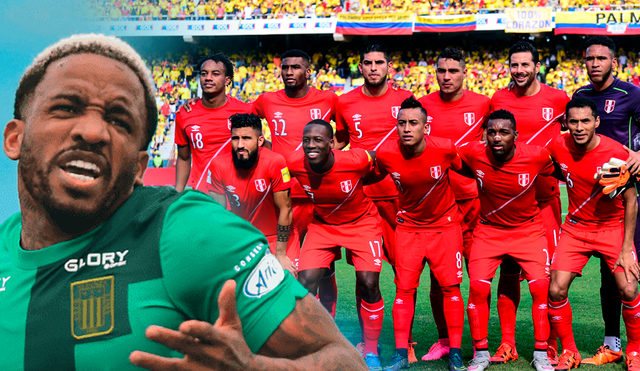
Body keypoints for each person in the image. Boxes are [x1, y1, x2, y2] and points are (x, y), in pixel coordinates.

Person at [0, 33, 367, 371]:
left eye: (119, 121)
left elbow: (346, 362)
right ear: (14, 138)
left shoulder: (189, 234)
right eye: (66, 107)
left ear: (140, 166)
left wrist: (259, 369)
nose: (93, 132)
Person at [370, 97, 466, 371]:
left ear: (426, 127)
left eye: (413, 123)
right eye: (402, 123)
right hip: (409, 229)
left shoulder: (445, 149)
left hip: (444, 228)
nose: (407, 128)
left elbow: (467, 169)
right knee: (403, 289)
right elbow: (368, 176)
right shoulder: (387, 154)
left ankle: (456, 352)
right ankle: (402, 353)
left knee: (450, 288)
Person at [490, 41, 570, 365]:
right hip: (508, 204)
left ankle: (550, 344)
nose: (519, 71)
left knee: (549, 278)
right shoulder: (498, 99)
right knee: (508, 272)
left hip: (544, 201)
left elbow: (571, 141)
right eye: (514, 65)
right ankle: (507, 344)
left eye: (526, 65)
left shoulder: (558, 99)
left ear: (538, 66)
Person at [547, 97, 640, 371]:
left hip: (611, 228)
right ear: (566, 123)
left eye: (585, 121)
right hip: (575, 229)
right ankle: (569, 351)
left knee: (629, 287)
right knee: (555, 289)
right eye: (573, 121)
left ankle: (634, 351)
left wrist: (626, 249)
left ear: (596, 122)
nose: (578, 127)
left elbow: (632, 201)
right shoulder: (557, 146)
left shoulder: (616, 154)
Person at [334, 42, 414, 359]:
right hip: (361, 202)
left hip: (397, 198)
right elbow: (340, 144)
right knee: (364, 276)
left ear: (388, 66)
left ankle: (405, 343)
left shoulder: (406, 101)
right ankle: (368, 344)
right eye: (367, 63)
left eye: (379, 62)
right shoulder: (345, 102)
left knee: (405, 274)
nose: (373, 68)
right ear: (361, 67)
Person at [460, 110, 555, 371]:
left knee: (539, 289)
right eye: (491, 132)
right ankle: (480, 354)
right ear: (485, 134)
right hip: (489, 231)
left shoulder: (536, 156)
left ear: (516, 135)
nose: (497, 138)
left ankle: (541, 353)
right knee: (478, 288)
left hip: (528, 231)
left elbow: (565, 167)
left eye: (503, 132)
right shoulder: (472, 153)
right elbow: (447, 158)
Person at [288, 120, 385, 371]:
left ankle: (371, 351)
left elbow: (381, 157)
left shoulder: (354, 159)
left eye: (318, 140)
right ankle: (313, 343)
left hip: (362, 223)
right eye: (306, 139)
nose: (311, 145)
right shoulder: (294, 163)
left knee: (369, 283)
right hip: (323, 227)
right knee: (305, 283)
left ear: (331, 143)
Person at [252, 49, 340, 318]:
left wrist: (326, 158)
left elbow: (343, 134)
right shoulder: (267, 101)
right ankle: (293, 323)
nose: (289, 72)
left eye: (296, 67)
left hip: (318, 195)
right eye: (285, 67)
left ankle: (329, 323)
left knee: (324, 266)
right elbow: (244, 121)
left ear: (308, 72)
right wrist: (270, 151)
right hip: (283, 197)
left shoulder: (328, 100)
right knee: (286, 264)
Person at [417, 47, 490, 362]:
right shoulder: (422, 106)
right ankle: (445, 339)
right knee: (439, 277)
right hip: (436, 203)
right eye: (441, 71)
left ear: (465, 72)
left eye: (453, 71)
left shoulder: (483, 104)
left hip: (473, 201)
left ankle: (479, 342)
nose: (446, 77)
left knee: (477, 275)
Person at [573, 35, 640, 365]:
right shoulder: (580, 97)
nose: (595, 64)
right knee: (611, 273)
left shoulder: (632, 95)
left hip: (633, 195)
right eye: (590, 59)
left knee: (633, 269)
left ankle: (635, 346)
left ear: (614, 62)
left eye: (601, 58)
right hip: (600, 200)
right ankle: (613, 343)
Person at [205, 113, 298, 277]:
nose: (240, 144)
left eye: (246, 138)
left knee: (288, 286)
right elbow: (218, 215)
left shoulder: (275, 162)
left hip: (278, 237)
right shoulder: (218, 165)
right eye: (235, 138)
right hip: (244, 238)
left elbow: (286, 210)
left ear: (260, 141)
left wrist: (281, 255)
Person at [174, 53, 254, 192]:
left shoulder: (246, 110)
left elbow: (260, 148)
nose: (208, 78)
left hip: (239, 197)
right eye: (204, 74)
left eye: (215, 73)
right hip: (203, 196)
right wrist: (176, 193)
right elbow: (183, 158)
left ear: (227, 80)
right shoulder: (184, 114)